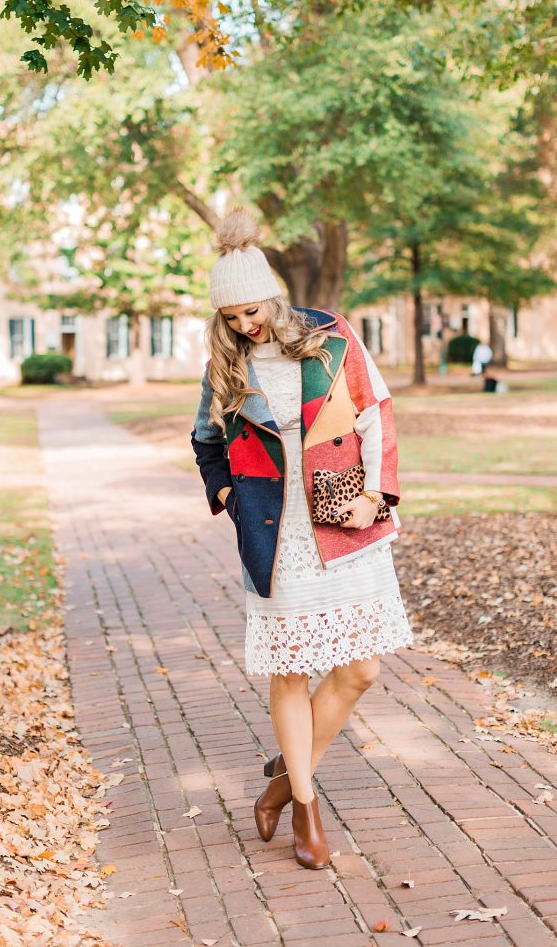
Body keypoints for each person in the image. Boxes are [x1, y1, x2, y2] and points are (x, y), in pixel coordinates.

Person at [191, 210, 414, 870]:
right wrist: (226, 493)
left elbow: (376, 413)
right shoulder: (225, 363)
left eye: (251, 310)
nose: (243, 325)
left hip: (340, 518)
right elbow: (206, 443)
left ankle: (283, 782)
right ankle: (308, 812)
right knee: (290, 670)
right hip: (273, 527)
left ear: (272, 296)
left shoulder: (329, 336)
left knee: (360, 667)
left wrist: (375, 496)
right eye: (230, 316)